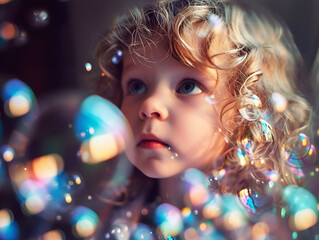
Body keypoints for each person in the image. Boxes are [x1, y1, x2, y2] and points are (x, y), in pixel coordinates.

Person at [95, 0, 315, 238]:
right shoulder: (108, 218)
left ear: (248, 109)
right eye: (136, 86)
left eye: (188, 86)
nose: (150, 105)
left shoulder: (258, 229)